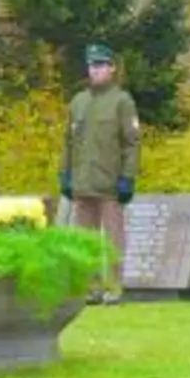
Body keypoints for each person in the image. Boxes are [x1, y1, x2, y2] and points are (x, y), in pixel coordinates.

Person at [59, 43, 141, 305]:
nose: (95, 70)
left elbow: (132, 143)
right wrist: (65, 175)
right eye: (92, 66)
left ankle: (114, 288)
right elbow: (68, 143)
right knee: (85, 240)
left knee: (113, 239)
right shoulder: (78, 102)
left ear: (112, 68)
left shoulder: (122, 101)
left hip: (110, 184)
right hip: (83, 183)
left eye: (101, 65)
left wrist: (127, 177)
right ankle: (90, 288)